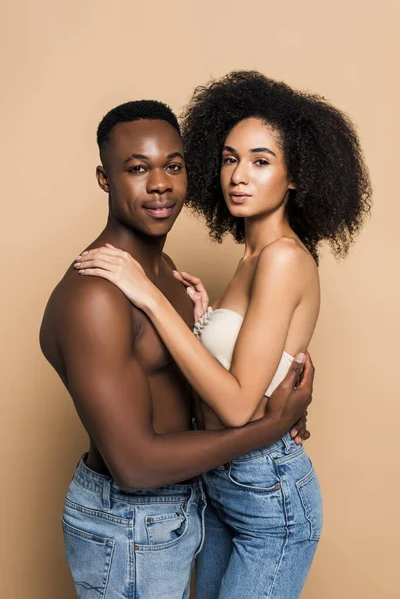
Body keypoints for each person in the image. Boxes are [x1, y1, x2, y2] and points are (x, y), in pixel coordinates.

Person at [75, 72, 371, 598]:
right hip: (222, 484)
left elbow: (236, 407)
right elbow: (242, 371)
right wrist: (206, 323)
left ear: (295, 174)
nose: (239, 175)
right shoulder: (251, 258)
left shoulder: (281, 258)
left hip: (267, 494)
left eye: (261, 161)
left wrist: (146, 293)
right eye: (230, 158)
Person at [40, 99, 313, 599]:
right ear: (105, 179)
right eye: (138, 169)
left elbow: (206, 384)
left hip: (190, 507)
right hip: (130, 524)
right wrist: (269, 427)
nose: (161, 183)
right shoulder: (99, 295)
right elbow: (136, 465)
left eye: (173, 166)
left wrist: (275, 379)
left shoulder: (167, 275)